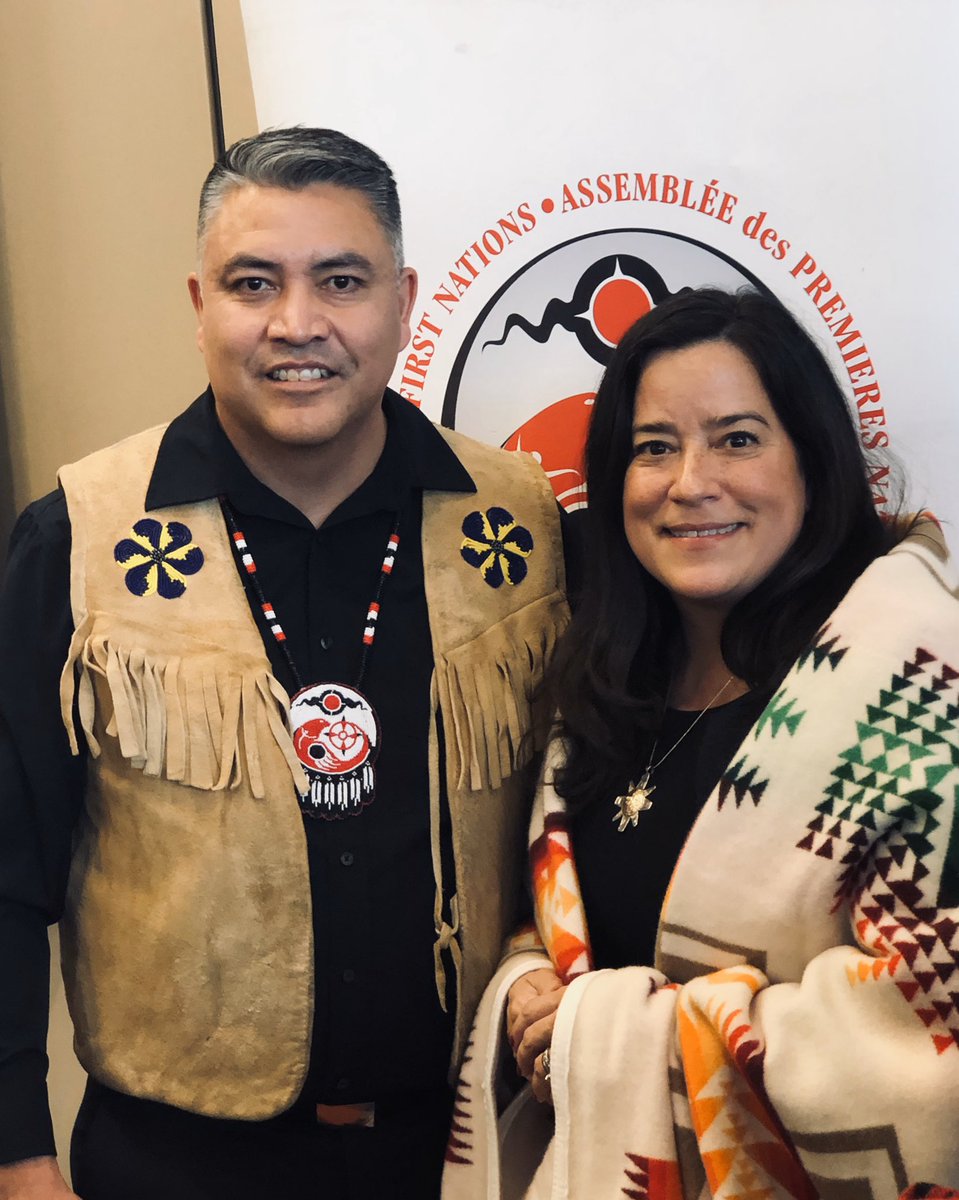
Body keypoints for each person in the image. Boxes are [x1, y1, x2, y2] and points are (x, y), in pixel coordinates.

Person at [0, 127, 569, 1200]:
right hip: (174, 1164)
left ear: (403, 300)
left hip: (473, 1152)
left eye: (340, 281)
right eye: (252, 283)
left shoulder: (524, 530)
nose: (296, 323)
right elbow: (5, 872)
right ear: (199, 304)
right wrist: (17, 1159)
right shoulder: (78, 539)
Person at [443, 288, 959, 1197]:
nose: (689, 482)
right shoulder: (601, 683)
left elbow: (930, 1027)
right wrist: (528, 981)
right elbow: (572, 920)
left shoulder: (915, 685)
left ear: (813, 458)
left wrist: (611, 1036)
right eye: (653, 447)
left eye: (737, 438)